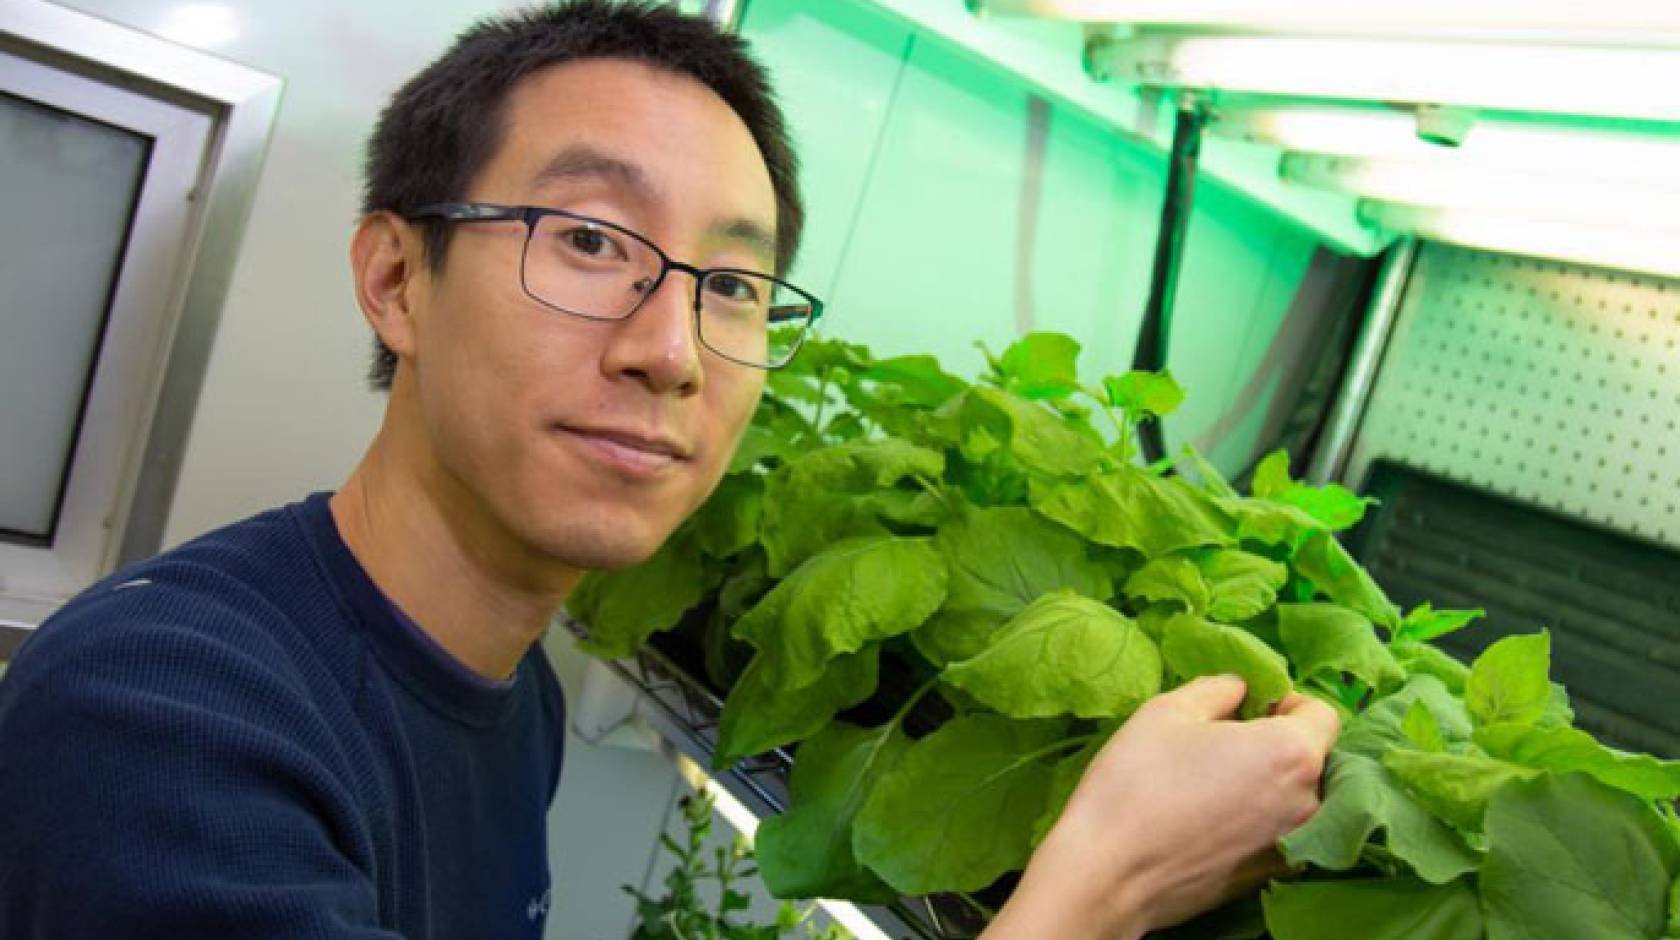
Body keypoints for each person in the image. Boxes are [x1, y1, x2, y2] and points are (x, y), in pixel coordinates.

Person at [0, 2, 1337, 937]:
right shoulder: (163, 716)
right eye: (588, 239)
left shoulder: (507, 697)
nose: (673, 349)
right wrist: (1098, 882)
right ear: (399, 278)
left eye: (737, 284)